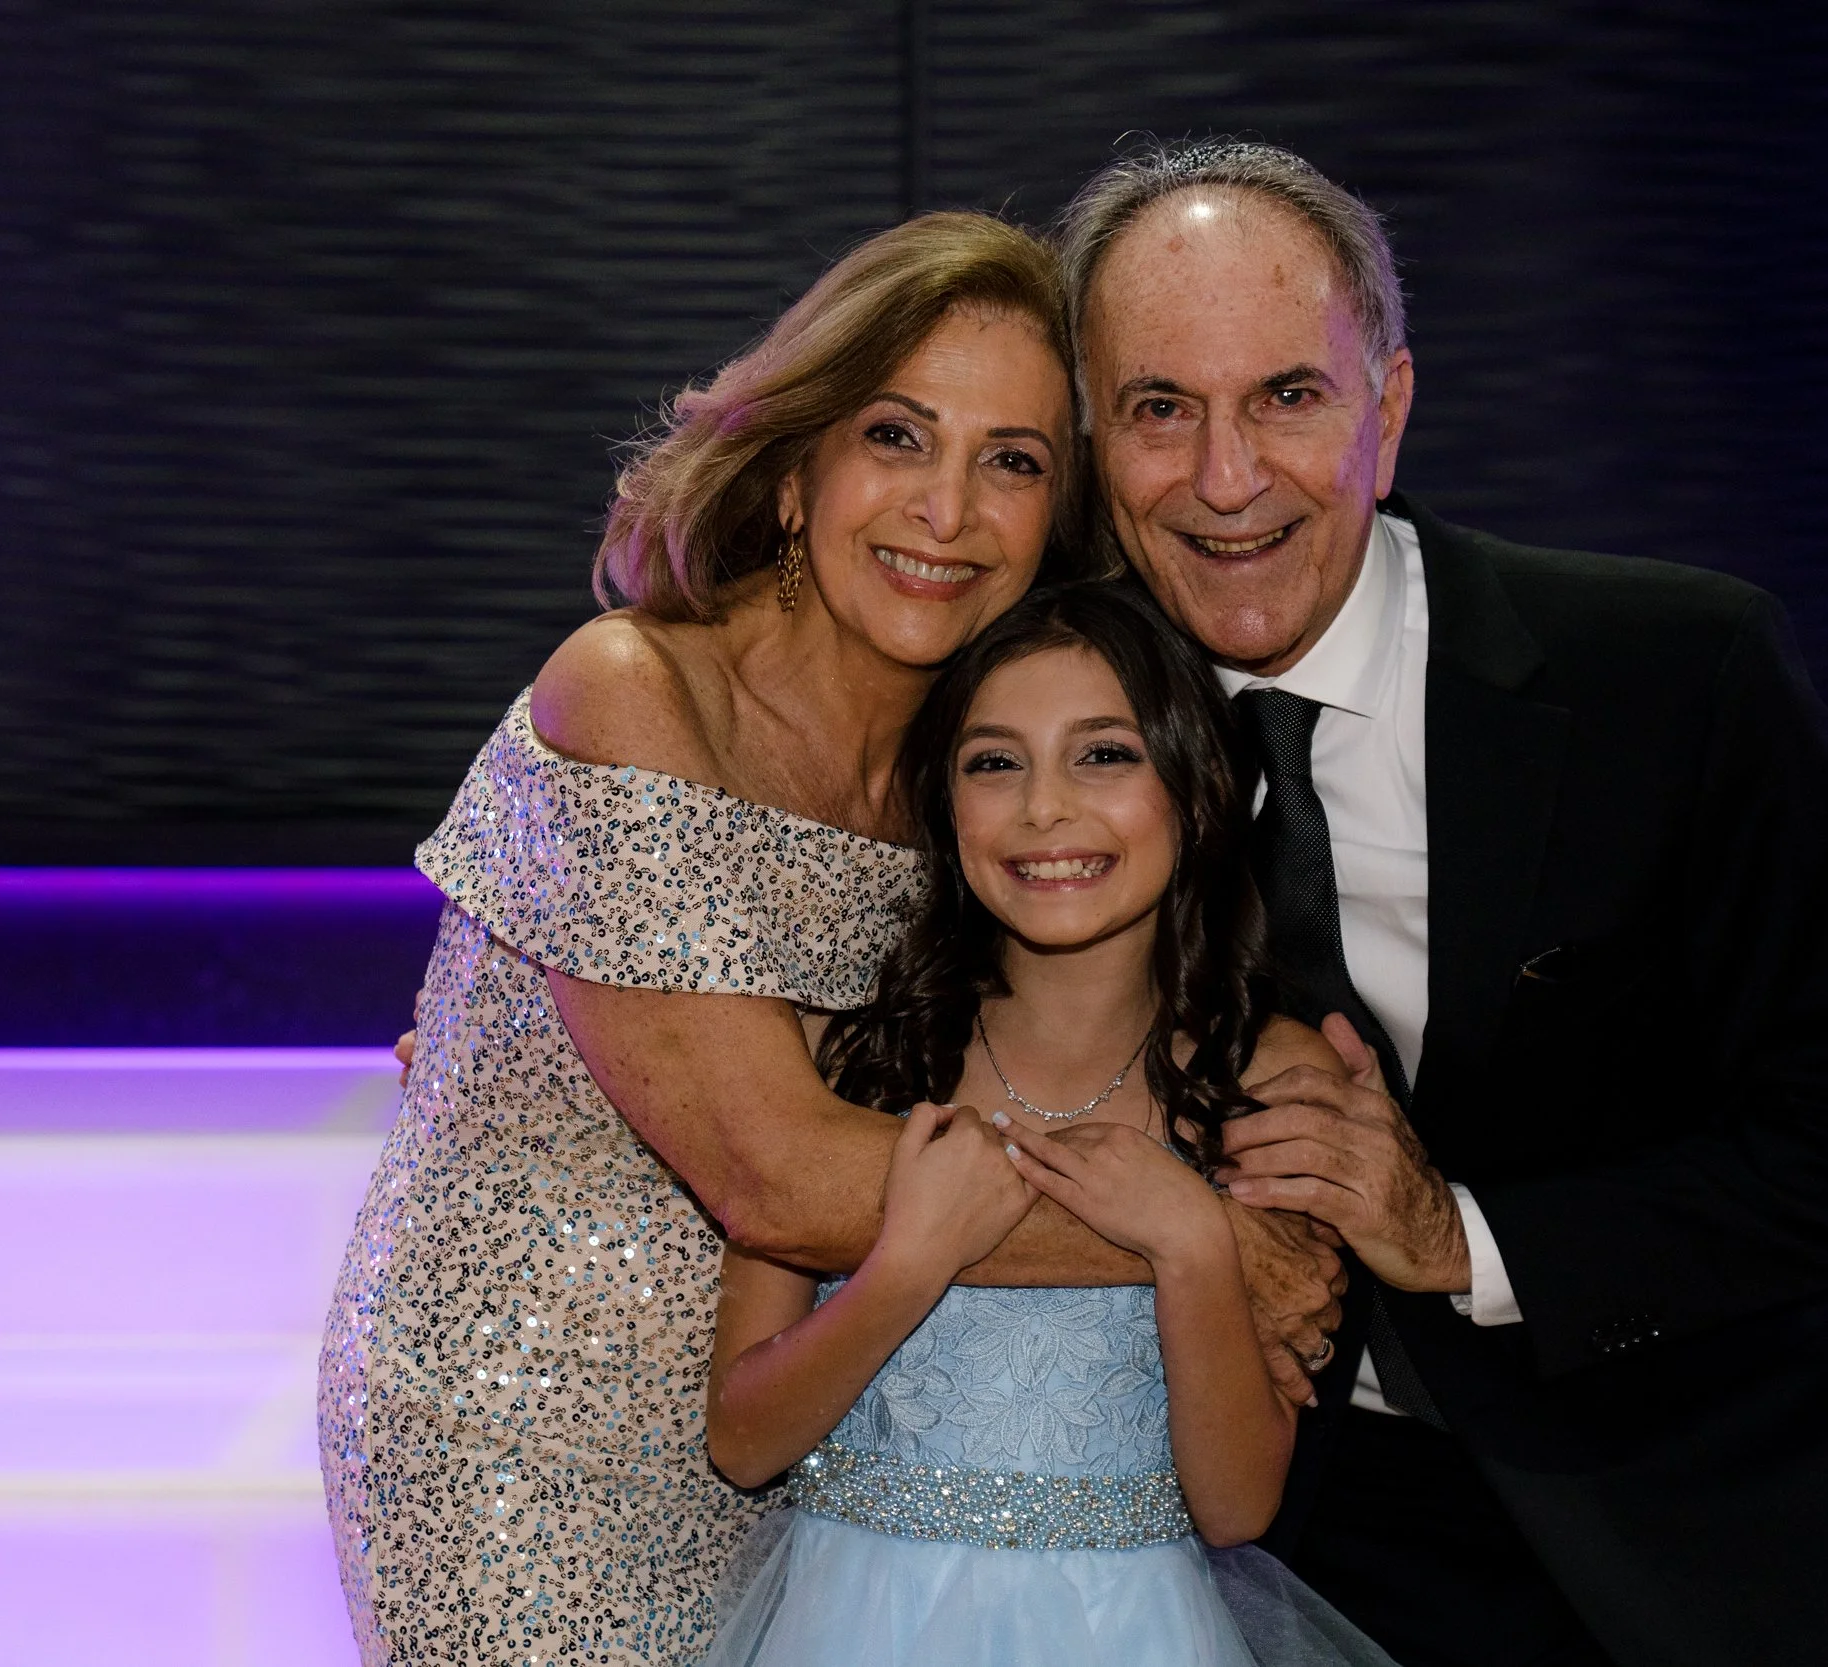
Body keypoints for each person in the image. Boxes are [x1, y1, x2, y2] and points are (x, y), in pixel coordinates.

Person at [316, 211, 1343, 1667]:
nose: (948, 508)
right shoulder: (635, 690)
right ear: (796, 473)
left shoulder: (974, 775)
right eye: (897, 437)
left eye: (1013, 461)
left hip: (839, 1455)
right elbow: (782, 1179)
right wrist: (1212, 1240)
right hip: (527, 1431)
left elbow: (1122, 996)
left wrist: (1295, 1104)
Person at [1051, 140, 1828, 1667]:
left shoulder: (1677, 674)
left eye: (1287, 395)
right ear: (1097, 439)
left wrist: (1467, 1237)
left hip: (1699, 1542)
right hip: (1264, 1539)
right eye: (1163, 408)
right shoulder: (1048, 733)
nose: (1226, 478)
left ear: (1388, 409)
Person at [698, 582, 1393, 1667]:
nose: (1043, 808)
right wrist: (910, 1261)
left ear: (1193, 785)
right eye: (994, 762)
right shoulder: (858, 1053)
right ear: (946, 803)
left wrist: (1191, 1241)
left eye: (1104, 754)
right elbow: (743, 1441)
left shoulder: (1264, 1077)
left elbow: (1236, 1505)